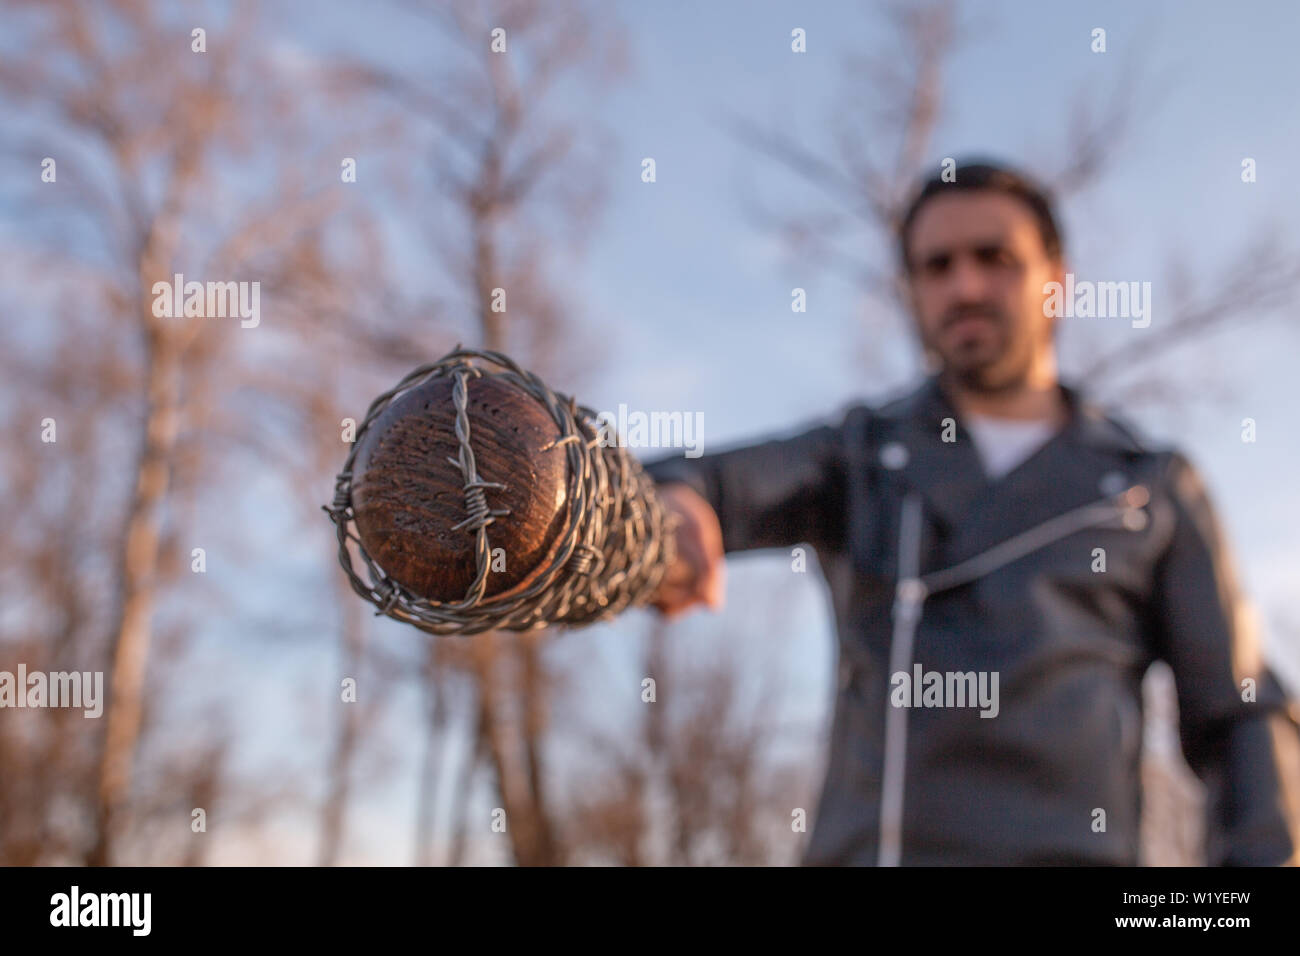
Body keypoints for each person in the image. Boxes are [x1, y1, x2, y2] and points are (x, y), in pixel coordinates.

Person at [640, 160, 1300, 866]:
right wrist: (671, 501)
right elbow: (714, 481)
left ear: (1058, 280)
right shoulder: (861, 456)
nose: (965, 286)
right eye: (937, 266)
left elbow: (1241, 713)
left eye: (996, 258)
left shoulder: (1149, 487)